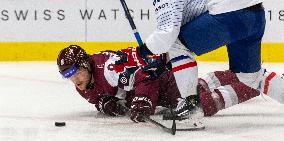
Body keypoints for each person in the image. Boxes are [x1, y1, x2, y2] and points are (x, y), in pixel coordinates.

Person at [134, 0, 284, 118]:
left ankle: (191, 107)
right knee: (251, 77)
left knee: (177, 44)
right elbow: (180, 29)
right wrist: (171, 63)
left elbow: (168, 34)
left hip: (231, 12)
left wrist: (143, 51)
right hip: (254, 14)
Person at [56, 45, 274, 123]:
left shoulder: (110, 69)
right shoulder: (83, 83)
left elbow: (146, 73)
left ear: (85, 64)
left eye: (75, 72)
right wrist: (106, 104)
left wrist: (142, 100)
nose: (74, 79)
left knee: (200, 105)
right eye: (68, 75)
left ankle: (255, 82)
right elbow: (99, 97)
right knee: (197, 87)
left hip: (159, 79)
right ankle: (245, 73)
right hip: (163, 90)